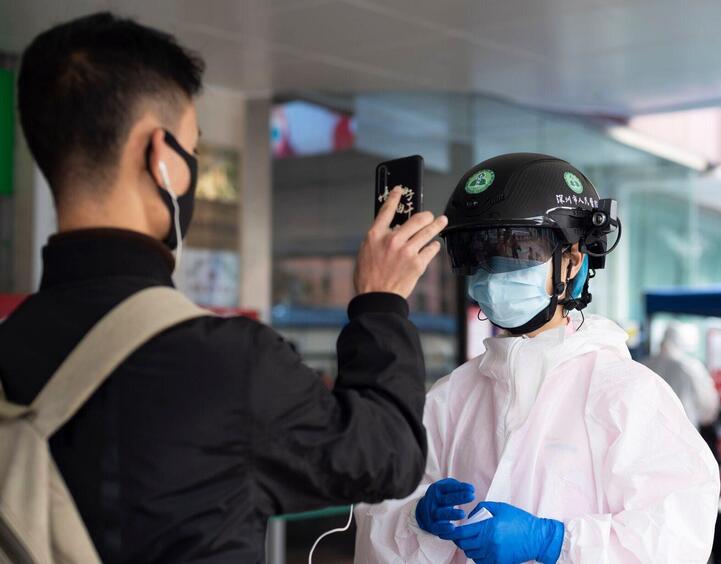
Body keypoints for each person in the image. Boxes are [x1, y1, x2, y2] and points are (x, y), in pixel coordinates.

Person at [0, 12, 448, 563]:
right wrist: (382, 302)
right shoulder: (224, 363)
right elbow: (387, 457)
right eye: (192, 147)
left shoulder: (12, 344)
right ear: (160, 155)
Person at [355, 153, 720, 563]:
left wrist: (554, 542)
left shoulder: (628, 395)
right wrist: (415, 516)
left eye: (516, 249)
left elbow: (676, 536)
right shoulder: (450, 396)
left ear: (575, 259)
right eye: (475, 255)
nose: (491, 273)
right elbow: (379, 515)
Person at [642, 323, 720, 429]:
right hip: (683, 432)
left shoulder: (644, 365)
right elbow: (707, 405)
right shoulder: (692, 367)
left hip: (648, 430)